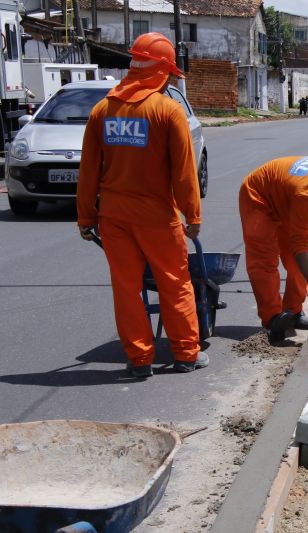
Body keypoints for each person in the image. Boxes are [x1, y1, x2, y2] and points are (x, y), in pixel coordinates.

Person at [77, 32, 208, 378]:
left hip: (114, 217)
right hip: (157, 217)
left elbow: (88, 173)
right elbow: (184, 174)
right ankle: (185, 354)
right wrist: (192, 215)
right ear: (162, 72)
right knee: (174, 283)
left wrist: (86, 218)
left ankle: (139, 360)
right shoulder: (167, 111)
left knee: (126, 288)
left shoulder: (102, 111)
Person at [239, 156, 308, 342]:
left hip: (285, 199)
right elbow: (298, 246)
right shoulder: (304, 194)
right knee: (264, 259)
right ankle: (273, 318)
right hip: (259, 197)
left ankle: (293, 311)